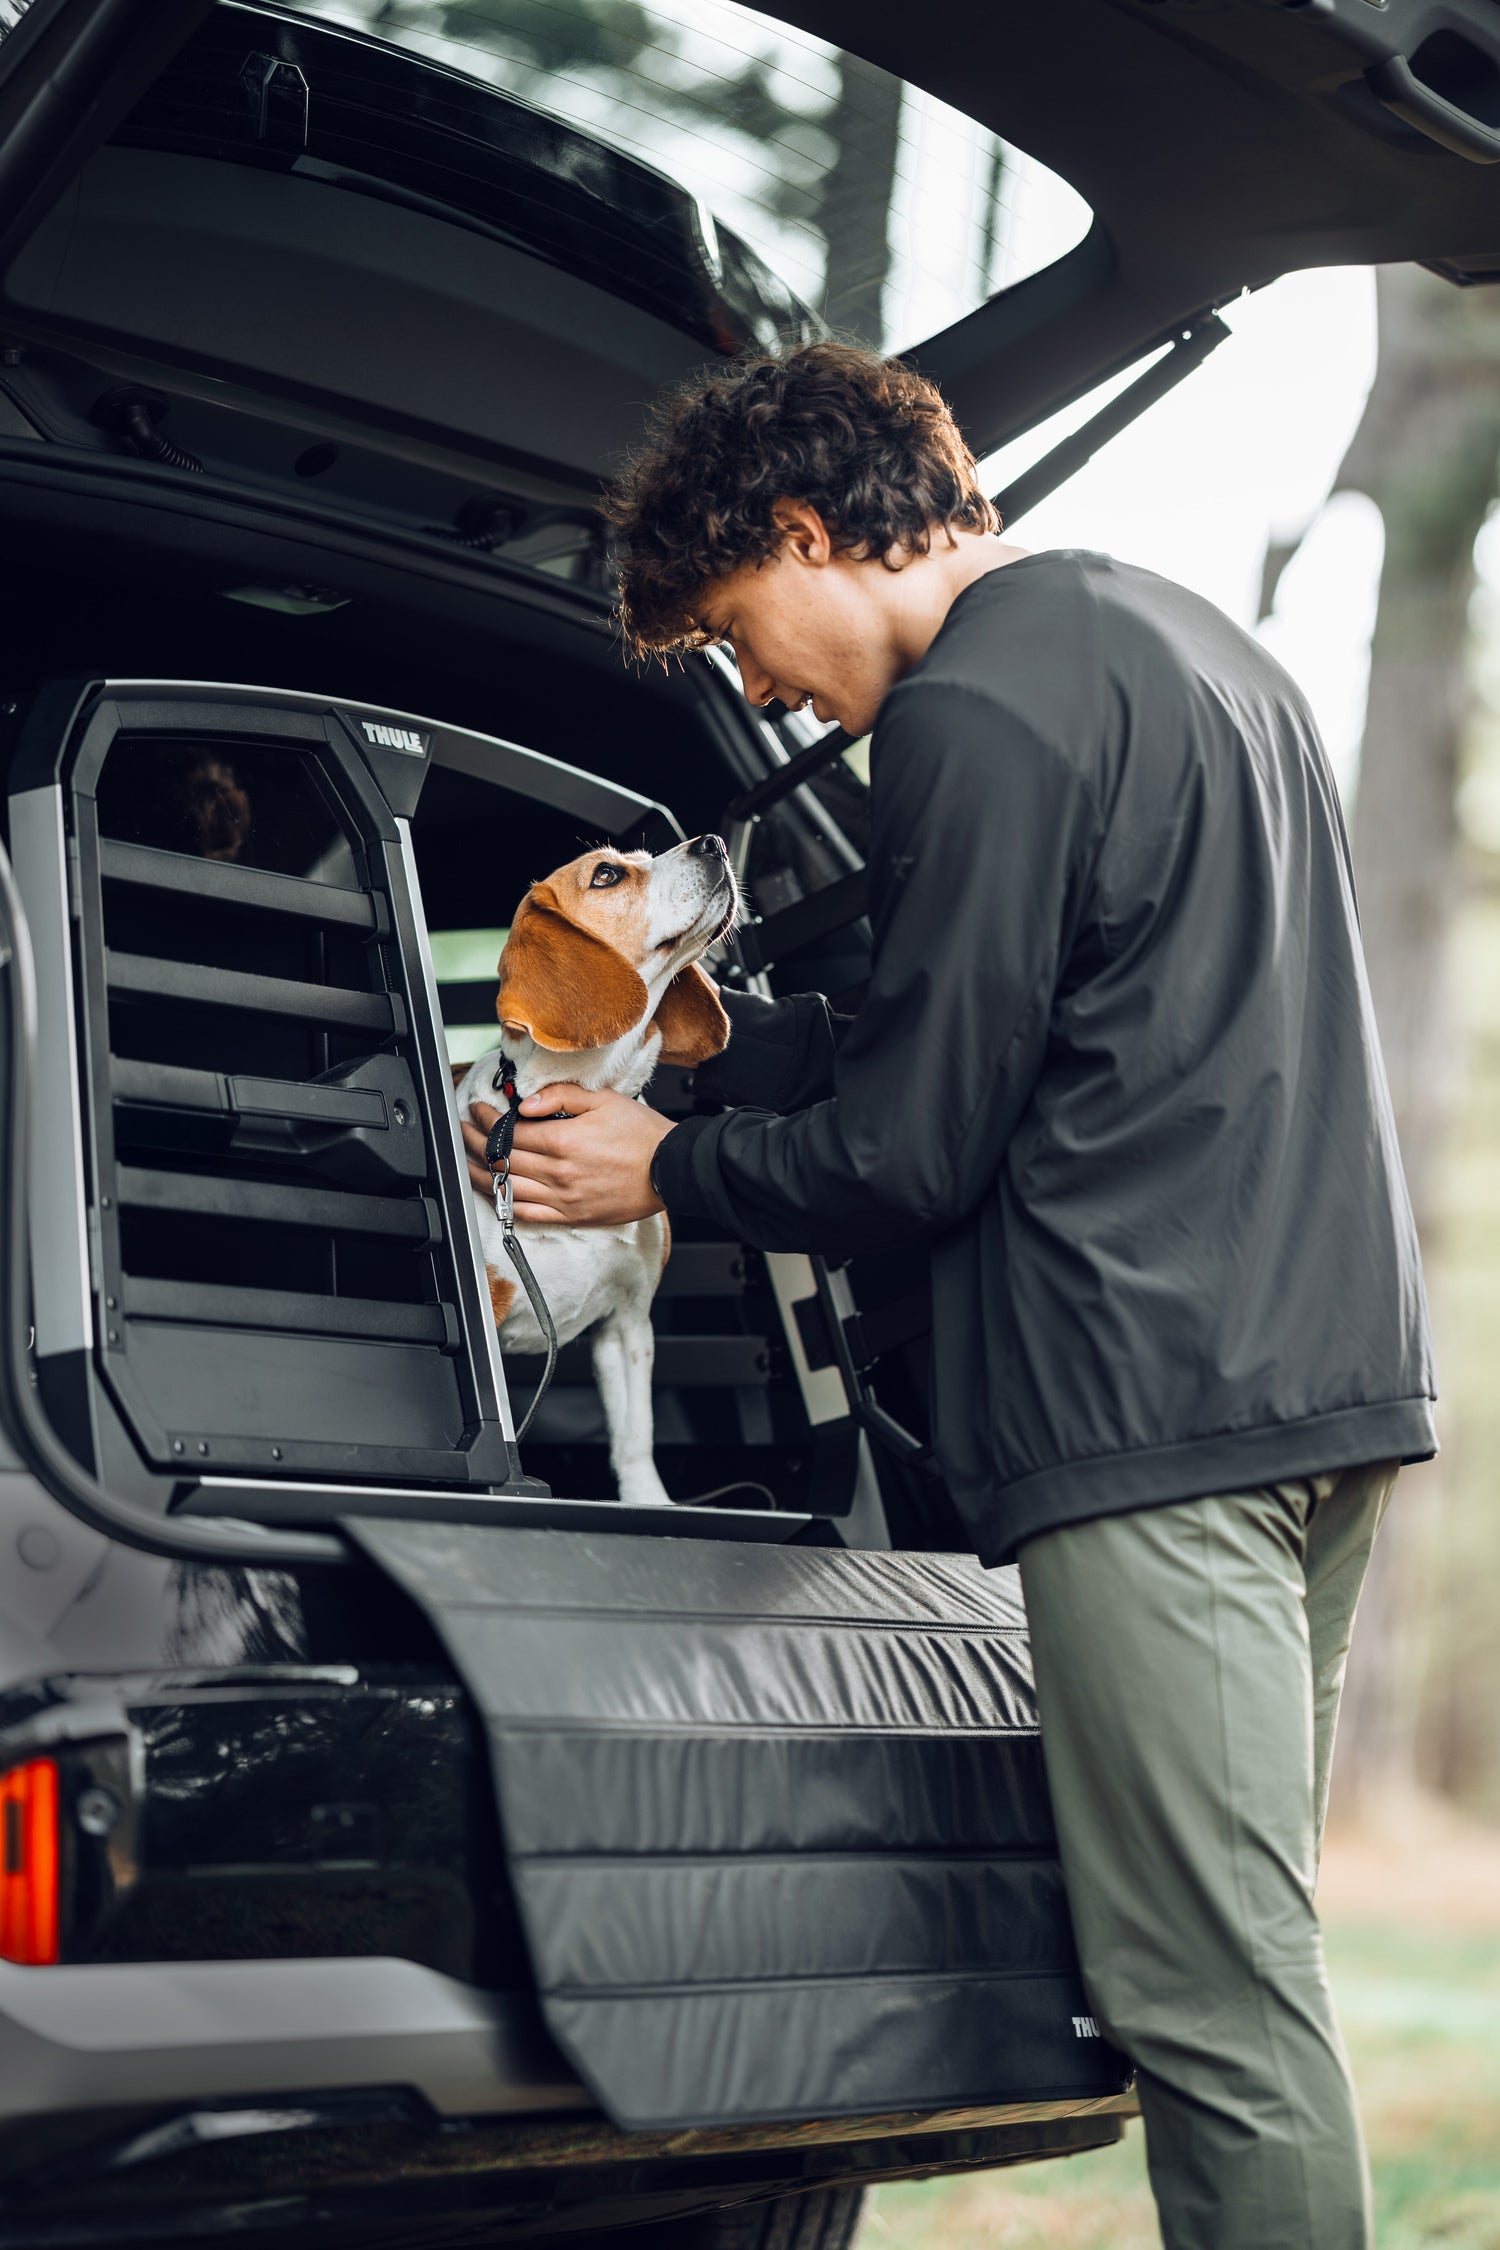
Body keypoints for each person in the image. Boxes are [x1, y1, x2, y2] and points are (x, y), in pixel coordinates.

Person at [461, 341, 1435, 2250]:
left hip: (1150, 1425)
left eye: (742, 630)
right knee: (1251, 1952)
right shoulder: (1193, 648)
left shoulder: (972, 717)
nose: (757, 689)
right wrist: (718, 1060)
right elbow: (1034, 1034)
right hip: (1316, 1387)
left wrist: (662, 1164)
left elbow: (915, 1150)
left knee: (1209, 2010)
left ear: (814, 534)